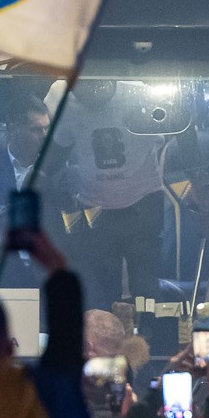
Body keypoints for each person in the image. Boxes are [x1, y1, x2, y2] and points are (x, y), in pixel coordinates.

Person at [57, 80, 168, 305]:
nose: (88, 91)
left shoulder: (140, 94)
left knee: (145, 284)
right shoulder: (65, 104)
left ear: (108, 81)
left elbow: (172, 129)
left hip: (143, 202)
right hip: (94, 207)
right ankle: (104, 337)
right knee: (103, 287)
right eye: (81, 87)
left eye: (94, 85)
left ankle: (149, 335)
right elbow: (59, 149)